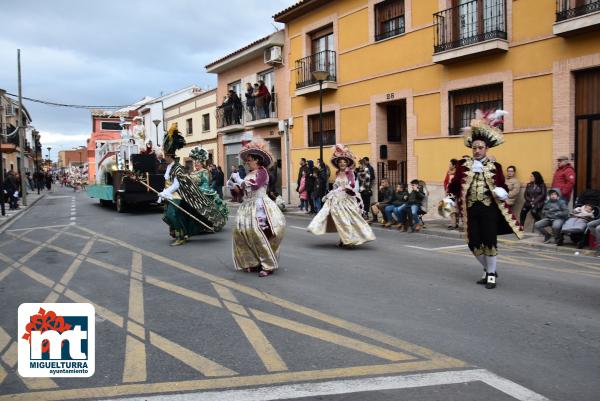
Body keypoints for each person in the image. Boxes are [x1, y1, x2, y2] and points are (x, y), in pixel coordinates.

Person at [448, 109, 523, 289]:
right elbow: (455, 185)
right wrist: (449, 198)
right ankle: (489, 268)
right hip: (471, 209)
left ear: (486, 149)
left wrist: (501, 192)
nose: (477, 150)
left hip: (489, 209)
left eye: (480, 147)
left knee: (489, 241)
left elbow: (503, 187)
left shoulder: (495, 166)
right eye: (474, 148)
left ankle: (490, 274)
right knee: (473, 242)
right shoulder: (462, 165)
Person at [158, 124, 227, 246]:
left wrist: (167, 192)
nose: (196, 165)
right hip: (176, 194)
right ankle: (180, 233)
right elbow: (172, 182)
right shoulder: (171, 167)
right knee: (171, 215)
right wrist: (163, 193)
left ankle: (182, 235)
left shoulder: (184, 168)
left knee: (174, 214)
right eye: (195, 163)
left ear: (170, 156)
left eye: (166, 155)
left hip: (185, 194)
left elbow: (178, 183)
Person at [232, 139, 286, 277]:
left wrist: (240, 181)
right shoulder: (249, 173)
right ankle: (252, 261)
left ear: (257, 160)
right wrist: (236, 187)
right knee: (242, 232)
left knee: (260, 233)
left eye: (250, 160)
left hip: (260, 207)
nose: (247, 162)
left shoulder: (262, 172)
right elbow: (244, 190)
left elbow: (255, 185)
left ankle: (268, 265)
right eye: (247, 160)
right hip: (247, 207)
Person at [308, 144, 376, 247]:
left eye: (344, 162)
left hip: (347, 199)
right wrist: (332, 192)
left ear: (347, 163)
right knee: (339, 220)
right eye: (340, 162)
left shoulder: (350, 172)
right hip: (336, 199)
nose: (342, 163)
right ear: (338, 164)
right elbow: (336, 185)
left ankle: (349, 239)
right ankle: (343, 239)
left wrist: (344, 188)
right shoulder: (338, 172)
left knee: (347, 220)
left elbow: (352, 184)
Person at [189, 147, 229, 222]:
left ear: (201, 164)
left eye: (197, 163)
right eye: (195, 163)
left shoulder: (204, 171)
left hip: (201, 191)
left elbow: (205, 182)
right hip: (193, 191)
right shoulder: (192, 172)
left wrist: (198, 188)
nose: (196, 164)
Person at [444, 159, 459, 230]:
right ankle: (454, 223)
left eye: (450, 164)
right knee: (450, 209)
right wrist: (446, 189)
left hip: (455, 193)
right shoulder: (448, 172)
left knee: (455, 209)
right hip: (449, 193)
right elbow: (445, 181)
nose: (449, 165)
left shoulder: (458, 173)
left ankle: (455, 224)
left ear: (454, 165)